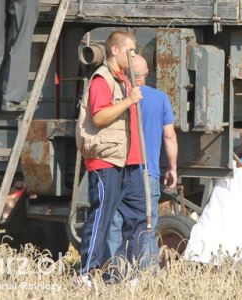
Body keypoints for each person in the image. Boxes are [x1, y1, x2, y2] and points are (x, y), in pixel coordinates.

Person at [76, 30, 147, 280]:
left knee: (138, 217)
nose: (134, 55)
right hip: (107, 159)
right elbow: (99, 117)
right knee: (102, 216)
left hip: (130, 161)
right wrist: (128, 101)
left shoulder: (124, 80)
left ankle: (133, 273)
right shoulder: (102, 79)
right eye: (131, 50)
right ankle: (87, 272)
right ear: (115, 50)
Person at [106, 54, 178, 266]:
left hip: (117, 171)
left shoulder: (119, 97)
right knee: (145, 228)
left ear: (126, 73)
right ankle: (146, 277)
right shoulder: (160, 98)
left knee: (114, 226)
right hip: (147, 173)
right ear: (147, 73)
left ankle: (114, 275)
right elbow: (169, 136)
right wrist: (172, 167)